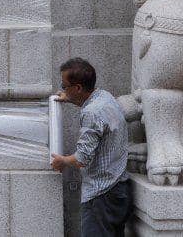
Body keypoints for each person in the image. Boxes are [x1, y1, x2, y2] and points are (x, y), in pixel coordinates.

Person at [50, 58, 131, 237]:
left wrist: (62, 160)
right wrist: (69, 99)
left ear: (78, 88)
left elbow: (81, 159)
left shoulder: (91, 113)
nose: (62, 89)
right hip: (119, 189)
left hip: (101, 196)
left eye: (64, 87)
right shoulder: (105, 97)